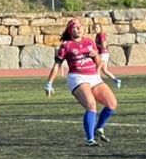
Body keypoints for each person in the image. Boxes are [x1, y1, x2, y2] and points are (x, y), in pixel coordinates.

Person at [45, 18, 122, 146]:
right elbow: (57, 65)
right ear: (70, 31)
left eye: (80, 26)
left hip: (93, 76)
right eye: (75, 27)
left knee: (112, 104)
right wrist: (49, 83)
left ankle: (99, 128)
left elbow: (98, 63)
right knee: (91, 105)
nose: (79, 28)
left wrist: (95, 55)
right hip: (77, 77)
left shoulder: (89, 42)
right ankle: (90, 139)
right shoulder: (66, 45)